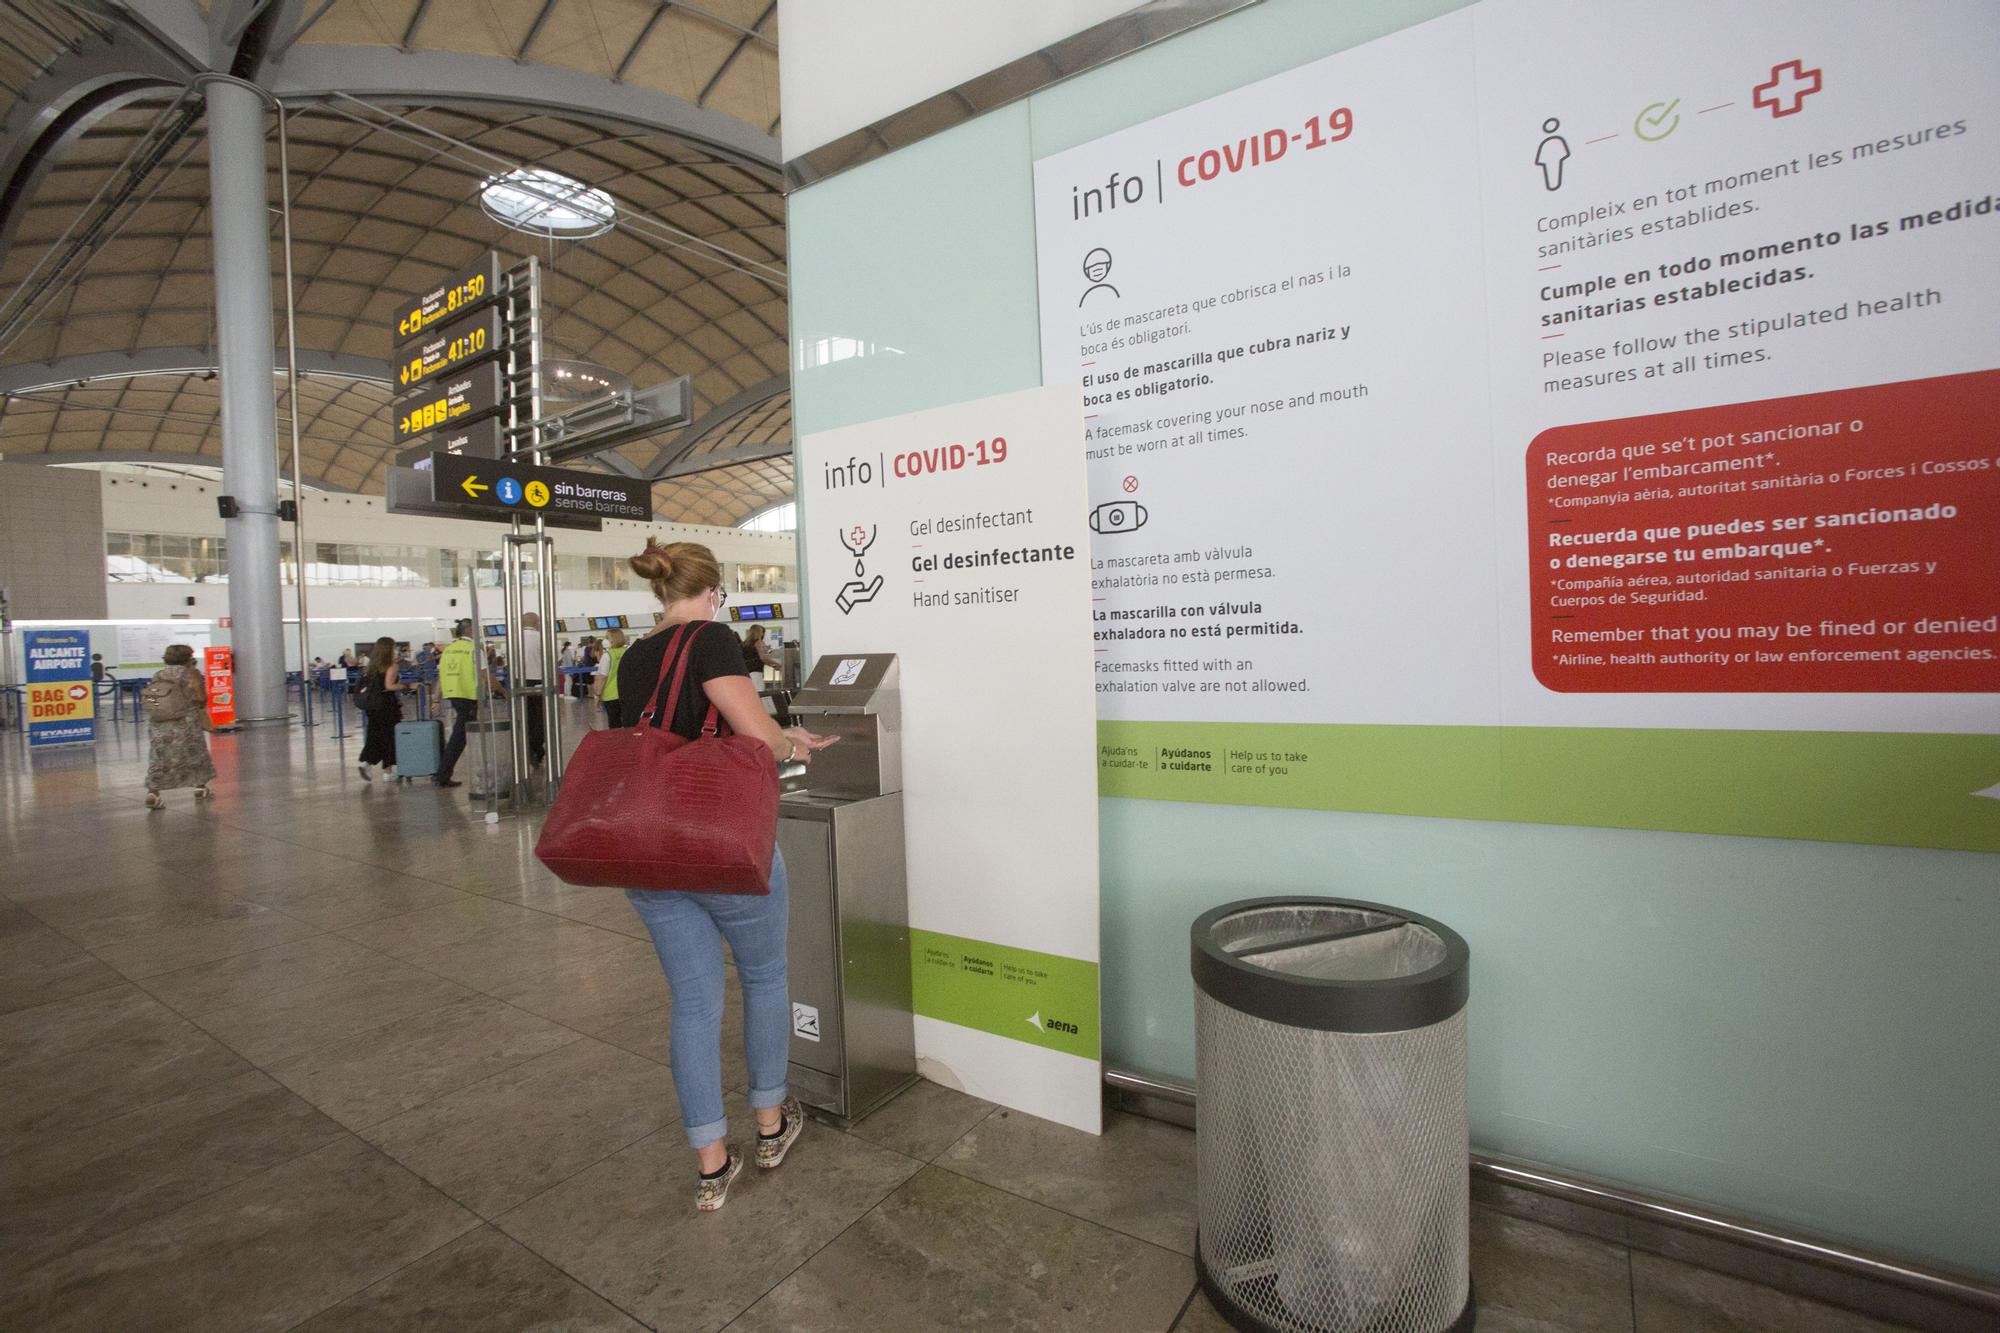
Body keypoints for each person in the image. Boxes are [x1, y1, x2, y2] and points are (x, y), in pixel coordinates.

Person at [618, 538, 834, 1212]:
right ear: (713, 590)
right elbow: (754, 734)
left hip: (650, 850)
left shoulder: (634, 655)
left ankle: (713, 1166)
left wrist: (776, 733)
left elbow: (661, 736)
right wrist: (787, 738)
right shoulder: (710, 638)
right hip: (721, 844)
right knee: (765, 977)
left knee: (694, 1001)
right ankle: (770, 1128)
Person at [142, 644, 215, 807]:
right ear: (187, 658)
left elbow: (153, 699)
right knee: (195, 755)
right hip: (185, 723)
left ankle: (153, 793)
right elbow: (200, 698)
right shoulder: (191, 674)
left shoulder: (159, 674)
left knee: (159, 759)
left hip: (159, 724)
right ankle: (200, 787)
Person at [431, 619, 486, 790]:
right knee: (459, 737)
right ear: (470, 630)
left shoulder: (448, 650)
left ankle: (443, 773)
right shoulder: (474, 649)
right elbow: (485, 675)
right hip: (468, 696)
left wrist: (436, 699)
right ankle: (442, 774)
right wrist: (503, 691)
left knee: (460, 735)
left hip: (453, 695)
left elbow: (441, 676)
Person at [355, 635, 408, 781]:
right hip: (386, 705)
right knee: (391, 737)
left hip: (372, 706)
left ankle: (367, 764)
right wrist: (405, 686)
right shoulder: (392, 665)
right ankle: (388, 772)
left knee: (375, 735)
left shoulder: (372, 666)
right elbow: (389, 686)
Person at [518, 611, 547, 766]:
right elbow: (552, 660)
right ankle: (536, 748)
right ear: (537, 622)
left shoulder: (513, 639)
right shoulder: (542, 638)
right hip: (538, 681)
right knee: (540, 718)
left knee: (526, 718)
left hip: (519, 682)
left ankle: (528, 747)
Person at [590, 627, 628, 728]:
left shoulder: (607, 656)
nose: (605, 640)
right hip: (626, 694)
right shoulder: (627, 652)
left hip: (611, 695)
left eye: (607, 637)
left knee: (614, 723)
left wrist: (597, 695)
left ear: (613, 639)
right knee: (627, 724)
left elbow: (602, 677)